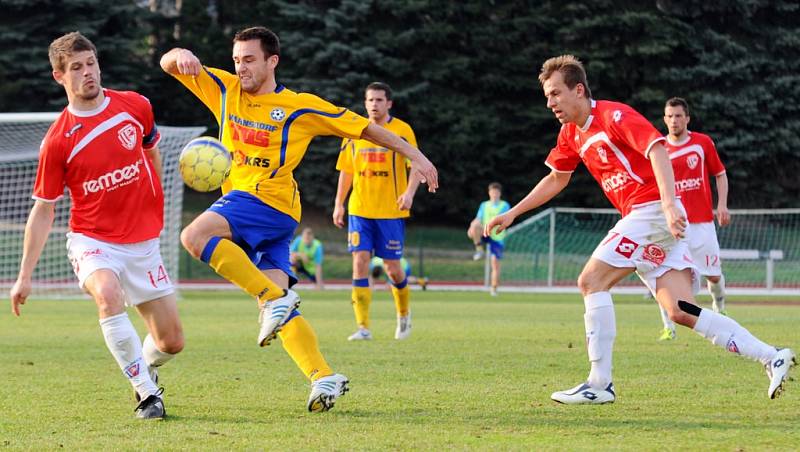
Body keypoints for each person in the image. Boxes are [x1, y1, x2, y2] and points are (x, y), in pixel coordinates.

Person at [485, 55, 794, 404]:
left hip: (650, 212)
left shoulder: (613, 115)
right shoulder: (570, 134)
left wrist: (667, 203)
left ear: (579, 89)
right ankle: (772, 355)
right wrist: (512, 213)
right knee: (680, 310)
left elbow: (657, 148)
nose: (550, 102)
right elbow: (557, 177)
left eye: (555, 93)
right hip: (649, 219)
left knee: (591, 281)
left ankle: (599, 383)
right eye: (547, 96)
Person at [160, 28, 438, 412]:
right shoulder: (223, 88)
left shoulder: (300, 107)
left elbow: (363, 127)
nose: (241, 68)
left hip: (267, 202)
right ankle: (323, 376)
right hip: (266, 213)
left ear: (272, 61)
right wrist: (182, 53)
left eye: (250, 59)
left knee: (193, 236)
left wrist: (417, 157)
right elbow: (167, 62)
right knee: (279, 312)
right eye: (237, 59)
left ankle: (272, 296)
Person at [10, 32, 184, 420]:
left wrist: (153, 202)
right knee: (107, 294)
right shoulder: (57, 141)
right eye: (76, 68)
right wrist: (24, 276)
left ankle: (146, 365)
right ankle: (146, 392)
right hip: (93, 241)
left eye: (91, 64)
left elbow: (151, 151)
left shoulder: (135, 106)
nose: (87, 73)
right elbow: (43, 210)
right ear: (60, 76)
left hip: (144, 242)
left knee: (171, 342)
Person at [333, 82, 420, 342]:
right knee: (359, 262)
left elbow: (416, 163)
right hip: (360, 209)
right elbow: (346, 170)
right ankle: (363, 327)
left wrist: (409, 193)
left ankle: (404, 314)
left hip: (391, 212)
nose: (374, 104)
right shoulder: (353, 131)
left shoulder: (402, 131)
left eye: (379, 100)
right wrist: (339, 203)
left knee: (393, 268)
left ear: (389, 103)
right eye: (370, 100)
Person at [656, 97, 730, 341]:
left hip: (702, 224)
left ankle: (719, 305)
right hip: (674, 226)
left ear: (687, 118)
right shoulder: (659, 149)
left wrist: (721, 205)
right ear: (664, 119)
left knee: (714, 275)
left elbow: (720, 174)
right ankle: (669, 327)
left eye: (678, 116)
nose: (674, 120)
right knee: (664, 275)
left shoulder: (702, 143)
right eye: (670, 116)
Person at [467, 182, 510, 296]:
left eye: (496, 192)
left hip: (497, 235)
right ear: (489, 193)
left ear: (500, 193)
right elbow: (478, 218)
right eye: (492, 192)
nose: (494, 194)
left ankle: (494, 288)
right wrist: (473, 226)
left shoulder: (504, 205)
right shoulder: (484, 205)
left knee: (495, 264)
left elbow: (500, 220)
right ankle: (479, 249)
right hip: (485, 232)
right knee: (474, 227)